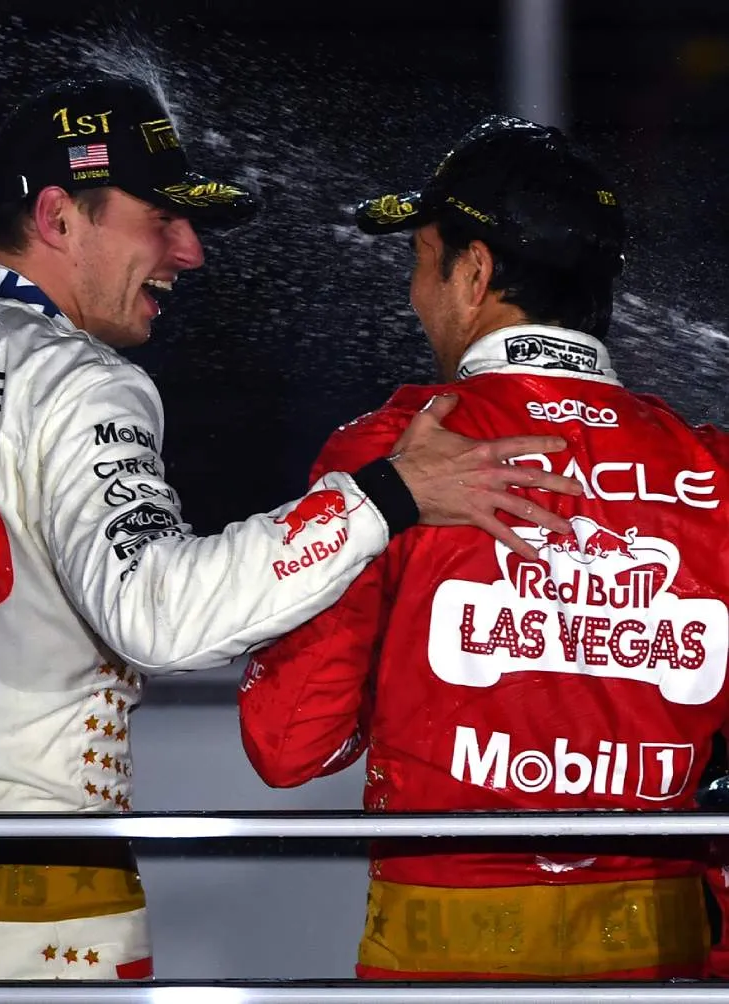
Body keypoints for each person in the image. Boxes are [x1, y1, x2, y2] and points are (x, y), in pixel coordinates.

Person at [0, 77, 581, 982]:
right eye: (162, 218)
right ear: (59, 216)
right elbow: (155, 614)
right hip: (27, 912)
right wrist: (384, 495)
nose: (189, 251)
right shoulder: (74, 379)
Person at [239, 114, 729, 982]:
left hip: (441, 971)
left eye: (421, 261)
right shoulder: (714, 470)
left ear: (475, 272)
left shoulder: (394, 455)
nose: (415, 293)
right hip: (669, 972)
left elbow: (290, 744)